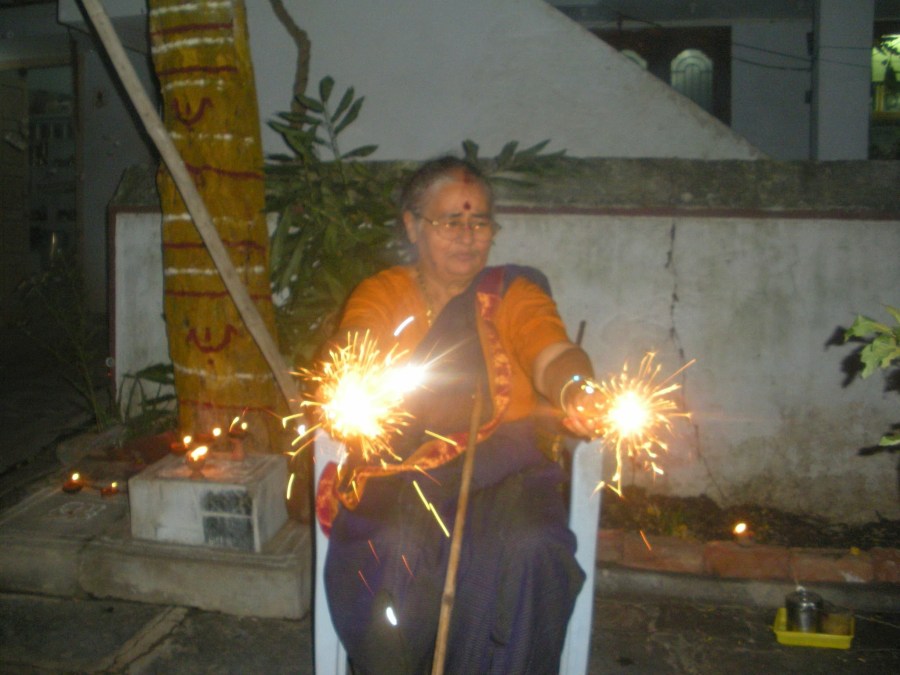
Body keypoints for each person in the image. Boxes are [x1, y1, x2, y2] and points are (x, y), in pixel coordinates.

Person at [316, 157, 603, 674]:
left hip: (508, 473)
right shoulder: (385, 292)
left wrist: (577, 389)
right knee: (393, 551)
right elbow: (356, 340)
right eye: (451, 221)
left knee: (533, 548)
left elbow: (552, 352)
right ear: (412, 226)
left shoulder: (510, 294)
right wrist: (350, 377)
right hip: (404, 472)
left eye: (480, 222)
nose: (468, 236)